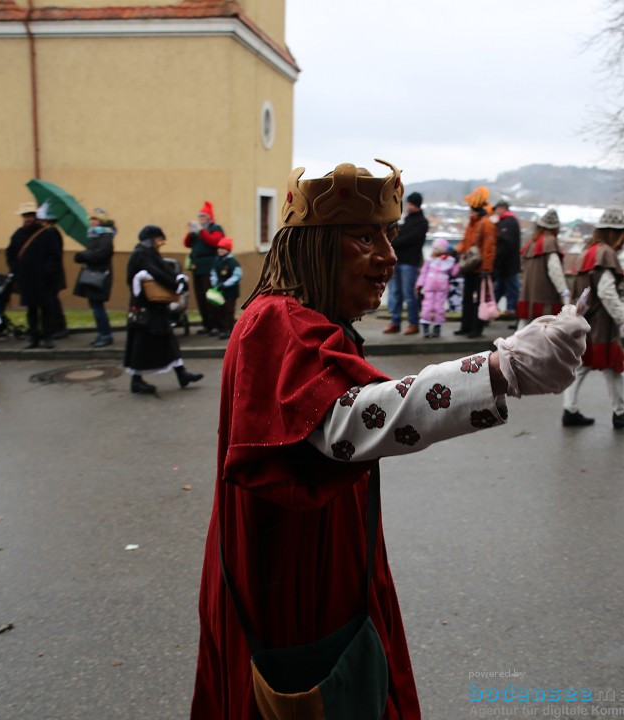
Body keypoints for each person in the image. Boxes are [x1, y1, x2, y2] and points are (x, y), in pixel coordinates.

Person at [190, 160, 590, 719]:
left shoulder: (304, 318)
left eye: (388, 235)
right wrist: (499, 372)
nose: (387, 256)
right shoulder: (278, 321)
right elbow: (345, 422)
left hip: (316, 562)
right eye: (363, 237)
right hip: (293, 580)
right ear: (314, 246)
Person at [562, 208, 624, 430]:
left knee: (582, 367)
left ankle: (570, 410)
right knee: (613, 368)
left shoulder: (586, 253)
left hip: (584, 321)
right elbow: (607, 291)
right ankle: (620, 413)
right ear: (615, 233)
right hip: (603, 324)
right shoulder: (605, 253)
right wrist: (622, 318)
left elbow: (582, 292)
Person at [124, 225, 204, 394]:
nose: (161, 243)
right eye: (159, 239)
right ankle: (136, 381)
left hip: (156, 309)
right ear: (151, 239)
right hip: (145, 310)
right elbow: (157, 274)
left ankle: (182, 374)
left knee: (168, 339)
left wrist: (178, 277)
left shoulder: (150, 254)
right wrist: (176, 286)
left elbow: (163, 270)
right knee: (141, 344)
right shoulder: (141, 254)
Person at [9, 202, 64, 349]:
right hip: (27, 279)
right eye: (25, 216)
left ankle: (47, 336)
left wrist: (48, 271)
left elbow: (55, 255)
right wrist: (15, 270)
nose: (28, 219)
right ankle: (33, 337)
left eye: (30, 216)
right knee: (31, 310)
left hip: (44, 280)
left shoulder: (47, 233)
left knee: (46, 309)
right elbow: (11, 254)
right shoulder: (18, 234)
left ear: (36, 217)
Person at [382, 191, 429, 335]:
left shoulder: (422, 222)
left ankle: (413, 323)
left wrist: (393, 242)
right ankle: (395, 322)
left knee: (409, 294)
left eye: (410, 203)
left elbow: (409, 240)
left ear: (415, 204)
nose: (408, 206)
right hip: (399, 261)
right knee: (395, 293)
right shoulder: (408, 220)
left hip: (410, 262)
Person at [454, 186, 497, 339]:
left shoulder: (485, 224)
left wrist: (486, 268)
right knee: (468, 298)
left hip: (479, 269)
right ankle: (466, 326)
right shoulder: (474, 222)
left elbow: (489, 248)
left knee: (478, 300)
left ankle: (475, 329)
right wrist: (457, 250)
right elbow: (466, 242)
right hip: (471, 267)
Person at [517, 209, 570, 328]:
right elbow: (554, 269)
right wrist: (563, 290)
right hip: (544, 294)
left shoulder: (532, 242)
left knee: (525, 327)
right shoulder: (550, 241)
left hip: (528, 292)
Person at [73, 208, 116, 348]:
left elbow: (101, 254)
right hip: (94, 274)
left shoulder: (105, 236)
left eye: (95, 219)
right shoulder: (95, 236)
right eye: (91, 219)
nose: (92, 222)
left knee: (98, 306)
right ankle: (101, 333)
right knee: (95, 305)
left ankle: (105, 334)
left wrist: (84, 255)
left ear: (101, 221)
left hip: (100, 275)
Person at [184, 201, 227, 337]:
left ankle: (216, 325)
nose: (201, 219)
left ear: (209, 218)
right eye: (199, 216)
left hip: (209, 267)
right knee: (200, 296)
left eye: (203, 217)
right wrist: (190, 233)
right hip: (197, 268)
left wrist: (202, 230)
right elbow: (187, 244)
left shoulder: (215, 228)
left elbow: (215, 242)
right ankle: (206, 324)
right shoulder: (197, 231)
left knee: (210, 297)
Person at [415, 237, 461, 338]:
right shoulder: (429, 260)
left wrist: (457, 263)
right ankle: (426, 327)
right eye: (434, 248)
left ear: (442, 249)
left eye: (437, 248)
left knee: (439, 308)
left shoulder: (449, 260)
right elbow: (424, 272)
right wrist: (419, 284)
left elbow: (454, 273)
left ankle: (437, 328)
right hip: (429, 286)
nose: (434, 250)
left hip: (442, 287)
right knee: (427, 306)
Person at [492, 200, 522, 318]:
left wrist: (498, 259)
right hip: (508, 264)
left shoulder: (508, 222)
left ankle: (514, 312)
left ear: (502, 208)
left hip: (507, 264)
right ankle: (510, 312)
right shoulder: (509, 221)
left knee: (511, 290)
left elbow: (506, 244)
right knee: (502, 289)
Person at [209, 236, 241, 339]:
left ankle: (228, 329)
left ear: (228, 250)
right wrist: (215, 282)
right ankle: (221, 328)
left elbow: (237, 276)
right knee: (219, 310)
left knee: (228, 311)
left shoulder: (232, 262)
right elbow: (213, 273)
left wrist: (225, 284)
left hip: (230, 291)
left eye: (223, 249)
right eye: (219, 248)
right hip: (219, 291)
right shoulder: (217, 261)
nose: (220, 250)